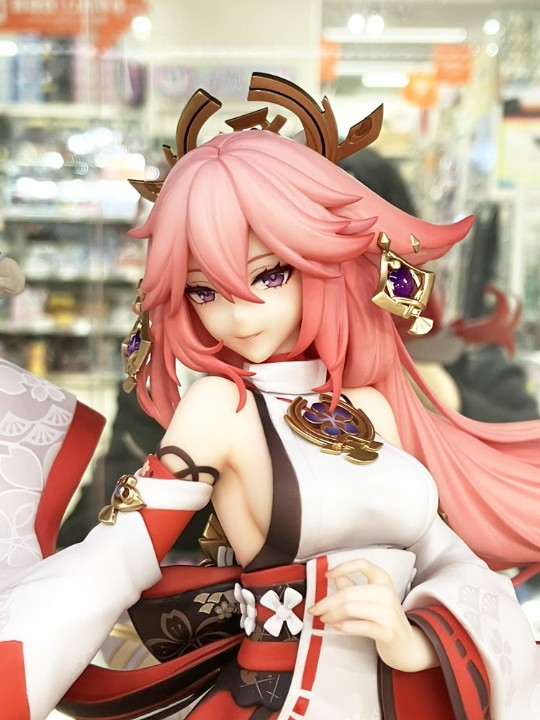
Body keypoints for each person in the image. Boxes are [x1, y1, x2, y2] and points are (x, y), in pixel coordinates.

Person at [78, 74, 538, 719]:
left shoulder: (372, 406)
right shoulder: (219, 406)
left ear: (330, 263)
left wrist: (416, 639)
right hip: (280, 695)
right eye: (203, 291)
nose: (238, 315)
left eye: (270, 275)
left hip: (397, 693)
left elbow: (446, 558)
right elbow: (113, 559)